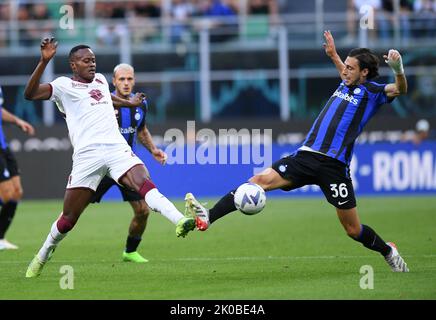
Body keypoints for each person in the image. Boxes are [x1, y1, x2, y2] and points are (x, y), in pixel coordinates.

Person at [185, 30, 410, 272]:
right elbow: (345, 74)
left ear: (364, 72)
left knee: (353, 230)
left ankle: (388, 251)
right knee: (257, 181)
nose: (344, 71)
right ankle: (209, 216)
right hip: (305, 156)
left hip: (334, 167)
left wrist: (398, 69)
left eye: (350, 68)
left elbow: (400, 89)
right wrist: (334, 54)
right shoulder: (345, 83)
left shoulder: (373, 93)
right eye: (344, 66)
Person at [23, 38, 195, 278]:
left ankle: (180, 220)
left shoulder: (102, 80)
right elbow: (30, 94)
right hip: (87, 156)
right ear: (74, 65)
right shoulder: (63, 86)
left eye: (93, 60)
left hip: (116, 149)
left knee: (144, 183)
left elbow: (106, 97)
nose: (92, 64)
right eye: (86, 61)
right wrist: (44, 61)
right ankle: (43, 253)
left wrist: (129, 102)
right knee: (68, 219)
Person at [90, 63, 167, 263]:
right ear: (113, 81)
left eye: (129, 79)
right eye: (121, 79)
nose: (126, 83)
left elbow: (141, 129)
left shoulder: (141, 103)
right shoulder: (102, 101)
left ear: (134, 80)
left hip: (126, 165)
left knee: (143, 210)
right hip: (102, 165)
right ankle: (50, 243)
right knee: (74, 210)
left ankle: (130, 251)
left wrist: (153, 150)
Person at [0, 86, 35, 250]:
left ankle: (0, 238)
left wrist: (17, 121)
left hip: (3, 146)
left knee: (16, 192)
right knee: (6, 194)